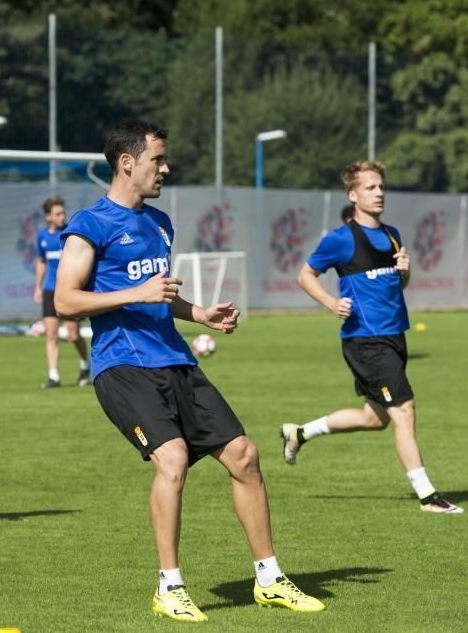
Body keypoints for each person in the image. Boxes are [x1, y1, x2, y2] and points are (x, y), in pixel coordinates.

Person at [55, 121, 324, 622]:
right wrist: (137, 294)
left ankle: (269, 579)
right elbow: (65, 299)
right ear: (127, 163)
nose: (166, 168)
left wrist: (198, 313)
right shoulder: (89, 224)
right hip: (122, 367)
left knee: (245, 454)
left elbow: (161, 296)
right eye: (157, 159)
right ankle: (169, 587)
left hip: (175, 359)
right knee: (173, 458)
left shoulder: (160, 223)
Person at [282, 160, 462, 514]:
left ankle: (299, 433)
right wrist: (332, 303)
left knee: (374, 419)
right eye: (369, 188)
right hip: (366, 341)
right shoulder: (340, 239)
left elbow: (398, 286)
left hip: (395, 336)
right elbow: (305, 275)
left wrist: (404, 273)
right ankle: (427, 496)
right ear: (353, 195)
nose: (378, 193)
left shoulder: (392, 234)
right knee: (404, 412)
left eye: (381, 187)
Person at [34, 196, 90, 388]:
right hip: (50, 290)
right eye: (57, 213)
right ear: (48, 217)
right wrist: (38, 287)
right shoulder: (42, 237)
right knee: (51, 334)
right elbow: (41, 261)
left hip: (69, 290)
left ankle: (85, 365)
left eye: (63, 212)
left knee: (73, 335)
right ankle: (54, 376)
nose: (62, 216)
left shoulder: (71, 234)